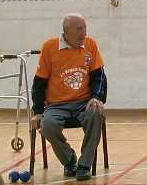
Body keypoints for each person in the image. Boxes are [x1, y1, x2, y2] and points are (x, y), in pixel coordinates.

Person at [31, 14, 106, 182]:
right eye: (79, 29)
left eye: (85, 28)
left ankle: (84, 165)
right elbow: (39, 82)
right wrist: (38, 112)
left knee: (96, 115)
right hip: (56, 105)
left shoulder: (90, 44)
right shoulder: (49, 47)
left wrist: (96, 97)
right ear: (66, 32)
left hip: (84, 102)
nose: (84, 33)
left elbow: (99, 76)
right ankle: (69, 160)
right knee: (47, 125)